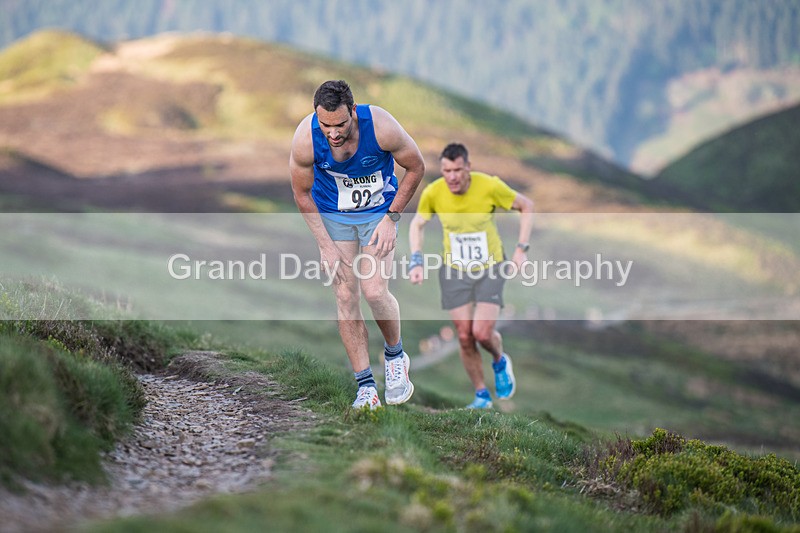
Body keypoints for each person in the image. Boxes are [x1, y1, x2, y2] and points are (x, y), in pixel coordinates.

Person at [289, 80, 425, 410]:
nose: (333, 133)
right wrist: (324, 245)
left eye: (340, 124)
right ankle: (366, 388)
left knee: (375, 291)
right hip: (334, 216)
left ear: (353, 110)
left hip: (379, 212)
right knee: (345, 296)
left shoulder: (380, 126)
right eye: (326, 125)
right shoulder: (305, 138)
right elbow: (302, 194)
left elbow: (416, 166)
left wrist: (392, 218)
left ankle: (395, 356)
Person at [409, 143, 534, 409]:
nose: (452, 177)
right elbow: (417, 224)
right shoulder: (434, 192)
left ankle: (499, 360)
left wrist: (521, 249)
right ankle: (481, 395)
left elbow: (526, 206)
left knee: (482, 333)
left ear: (468, 167)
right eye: (446, 171)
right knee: (465, 336)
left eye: (457, 170)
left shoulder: (489, 186)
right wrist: (416, 259)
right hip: (454, 271)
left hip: (490, 268)